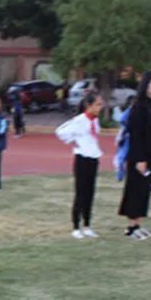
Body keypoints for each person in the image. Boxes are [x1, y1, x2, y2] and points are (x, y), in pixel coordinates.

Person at [118, 71, 151, 240]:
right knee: (135, 191)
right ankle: (131, 227)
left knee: (144, 192)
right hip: (138, 157)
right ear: (146, 85)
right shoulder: (138, 107)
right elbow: (135, 135)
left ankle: (138, 224)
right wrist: (139, 159)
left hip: (150, 156)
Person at [55, 91, 104, 239]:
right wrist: (74, 140)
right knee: (80, 194)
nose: (100, 107)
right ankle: (76, 227)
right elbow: (60, 132)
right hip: (82, 159)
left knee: (90, 193)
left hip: (93, 159)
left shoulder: (95, 120)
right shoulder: (79, 120)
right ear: (88, 105)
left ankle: (87, 225)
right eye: (97, 105)